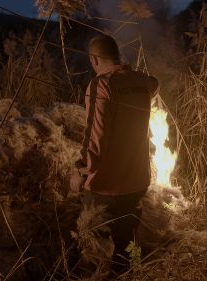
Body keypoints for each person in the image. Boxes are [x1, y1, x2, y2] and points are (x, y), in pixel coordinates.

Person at [70, 34, 159, 275]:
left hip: (106, 186)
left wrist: (81, 169)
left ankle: (87, 275)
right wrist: (128, 71)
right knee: (129, 246)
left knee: (90, 247)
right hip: (138, 181)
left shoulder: (101, 85)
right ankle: (133, 274)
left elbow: (93, 137)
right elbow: (154, 83)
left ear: (94, 59)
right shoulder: (141, 81)